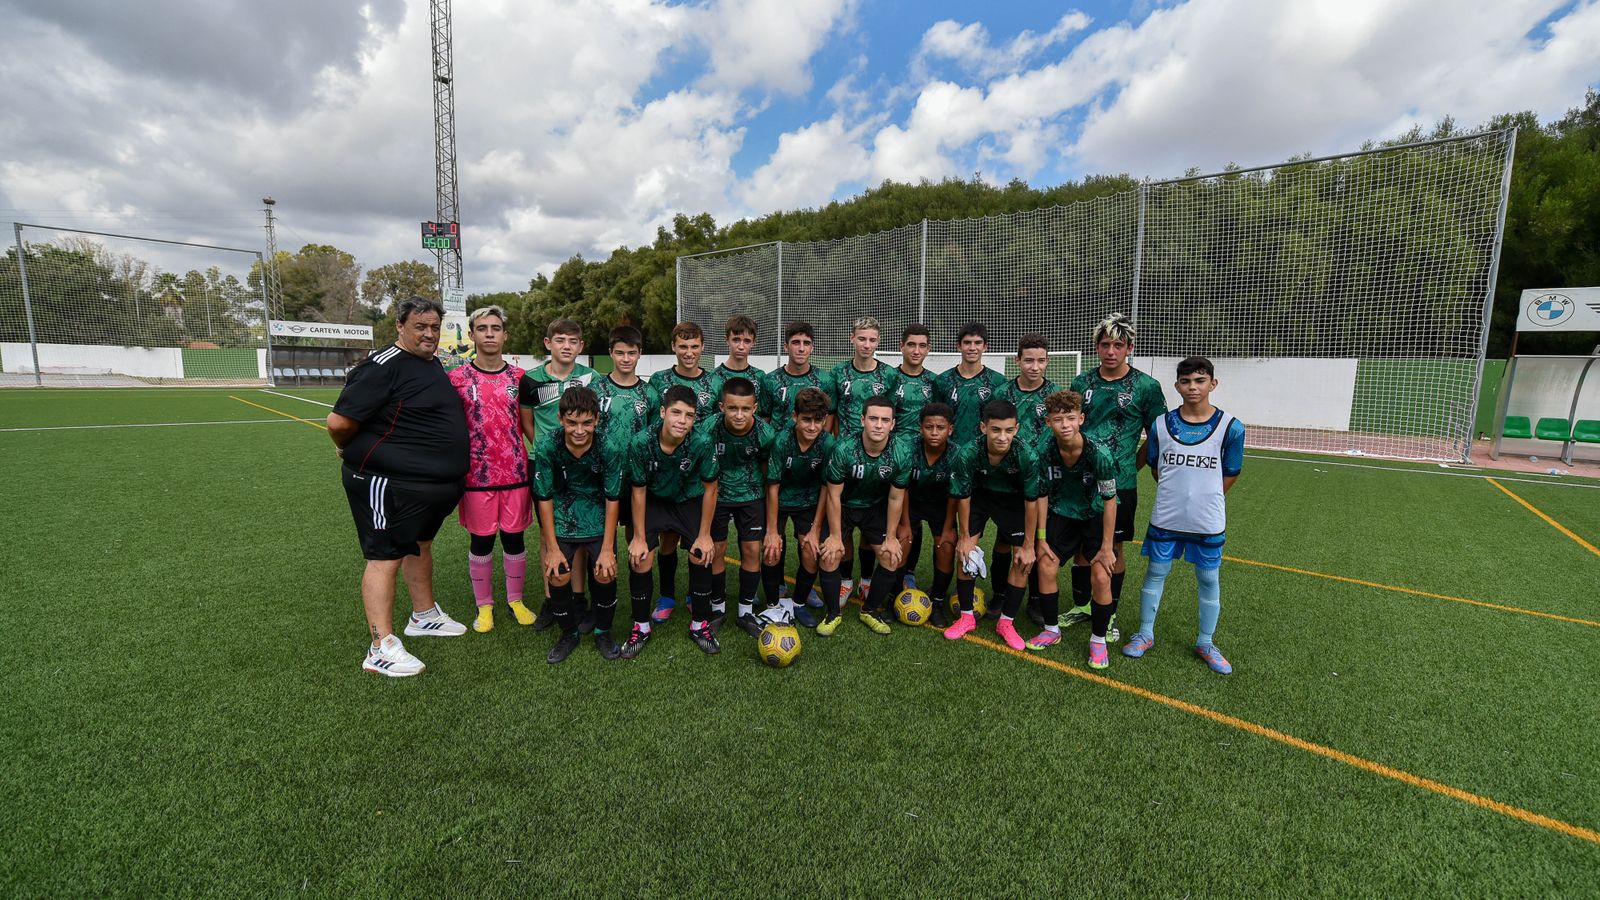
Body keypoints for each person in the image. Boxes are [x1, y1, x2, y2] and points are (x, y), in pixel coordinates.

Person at [328, 297, 469, 677]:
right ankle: (380, 647)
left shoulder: (430, 362)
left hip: (427, 487)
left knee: (419, 544)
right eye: (420, 326)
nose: (429, 334)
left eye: (434, 327)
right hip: (385, 483)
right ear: (400, 326)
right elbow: (339, 422)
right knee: (384, 555)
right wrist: (346, 449)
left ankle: (423, 616)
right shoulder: (382, 366)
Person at [1122, 357, 1245, 675]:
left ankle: (1206, 642)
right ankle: (1145, 634)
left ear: (1213, 384)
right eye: (1186, 381)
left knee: (1208, 578)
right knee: (1155, 572)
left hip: (1207, 520)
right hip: (1167, 516)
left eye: (1200, 380)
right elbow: (1156, 468)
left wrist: (1206, 496)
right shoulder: (1161, 425)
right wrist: (1178, 493)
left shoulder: (1231, 427)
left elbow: (1231, 472)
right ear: (1177, 385)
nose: (1193, 387)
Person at [1066, 312, 1167, 639]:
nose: (1111, 351)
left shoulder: (1146, 387)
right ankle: (1083, 606)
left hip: (1120, 484)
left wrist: (1132, 465)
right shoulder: (1082, 383)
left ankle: (1107, 614)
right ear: (1097, 347)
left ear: (1129, 348)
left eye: (1119, 345)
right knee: (1083, 548)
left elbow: (1157, 435)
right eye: (1106, 344)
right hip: (1081, 481)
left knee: (1114, 548)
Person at [448, 306, 534, 633]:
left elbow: (531, 424)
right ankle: (484, 606)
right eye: (482, 328)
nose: (489, 334)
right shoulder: (456, 379)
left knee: (514, 539)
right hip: (476, 477)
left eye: (495, 328)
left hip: (515, 473)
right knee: (481, 542)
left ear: (505, 335)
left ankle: (516, 600)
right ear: (472, 335)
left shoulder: (520, 378)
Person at [622, 385, 721, 659]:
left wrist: (704, 535)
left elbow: (711, 489)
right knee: (640, 556)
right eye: (676, 413)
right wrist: (638, 537)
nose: (682, 420)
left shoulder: (702, 442)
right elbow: (638, 491)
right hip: (654, 500)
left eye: (689, 415)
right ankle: (641, 627)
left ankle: (699, 624)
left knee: (701, 553)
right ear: (663, 412)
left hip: (688, 499)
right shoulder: (641, 442)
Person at [1026, 391, 1119, 668]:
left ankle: (1098, 641)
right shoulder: (1043, 451)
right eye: (1058, 419)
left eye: (1070, 418)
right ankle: (1051, 630)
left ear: (1081, 419)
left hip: (1094, 514)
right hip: (1062, 513)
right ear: (1048, 422)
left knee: (1101, 575)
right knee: (1045, 565)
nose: (1065, 425)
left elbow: (1110, 500)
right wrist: (1041, 538)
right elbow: (1041, 494)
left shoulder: (1099, 453)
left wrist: (1107, 547)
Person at [532, 387, 623, 662]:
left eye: (587, 422)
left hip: (597, 515)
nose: (579, 430)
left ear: (596, 419)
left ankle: (603, 632)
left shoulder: (609, 447)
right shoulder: (547, 446)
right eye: (572, 422)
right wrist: (551, 548)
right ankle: (568, 633)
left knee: (605, 572)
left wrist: (607, 549)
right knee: (557, 573)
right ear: (560, 419)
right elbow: (544, 498)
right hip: (563, 516)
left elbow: (612, 499)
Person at [943, 398, 1044, 648]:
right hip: (979, 498)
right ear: (983, 427)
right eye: (996, 430)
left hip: (1013, 502)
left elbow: (1032, 502)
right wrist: (964, 537)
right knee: (965, 553)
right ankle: (966, 617)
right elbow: (963, 496)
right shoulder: (968, 453)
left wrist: (1029, 544)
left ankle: (1006, 623)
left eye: (1009, 430)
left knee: (1022, 560)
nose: (1002, 437)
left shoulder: (1027, 456)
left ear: (1016, 429)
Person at [520, 317, 597, 630]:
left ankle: (577, 597)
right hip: (545, 463)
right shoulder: (530, 379)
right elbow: (527, 422)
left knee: (579, 530)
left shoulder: (591, 378)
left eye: (573, 341)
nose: (566, 346)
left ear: (581, 346)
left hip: (582, 463)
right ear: (548, 343)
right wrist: (546, 449)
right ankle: (552, 598)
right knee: (548, 532)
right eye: (560, 340)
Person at [817, 396, 912, 636]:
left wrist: (891, 536)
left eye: (885, 420)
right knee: (830, 554)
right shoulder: (843, 449)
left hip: (874, 508)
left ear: (893, 424)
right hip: (844, 506)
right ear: (862, 420)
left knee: (891, 556)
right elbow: (833, 495)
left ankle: (869, 610)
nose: (878, 425)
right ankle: (832, 614)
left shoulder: (902, 452)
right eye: (873, 419)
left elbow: (896, 498)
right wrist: (835, 536)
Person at [647, 322, 717, 624]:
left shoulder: (714, 382)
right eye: (683, 346)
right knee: (666, 540)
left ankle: (693, 595)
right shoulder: (659, 380)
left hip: (698, 476)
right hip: (664, 476)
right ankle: (666, 596)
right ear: (674, 347)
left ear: (702, 347)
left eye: (694, 346)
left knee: (697, 541)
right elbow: (652, 425)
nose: (689, 352)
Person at [828, 316, 899, 605]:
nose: (866, 345)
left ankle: (867, 580)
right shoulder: (838, 373)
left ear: (878, 342)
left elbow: (890, 415)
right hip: (846, 458)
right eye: (861, 338)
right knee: (844, 520)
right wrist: (834, 447)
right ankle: (845, 580)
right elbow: (832, 417)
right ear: (852, 338)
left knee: (871, 519)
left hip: (876, 458)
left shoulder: (889, 376)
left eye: (872, 339)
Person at [704, 377, 777, 637]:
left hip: (751, 494)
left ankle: (746, 612)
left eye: (746, 409)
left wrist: (770, 522)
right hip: (718, 495)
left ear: (755, 408)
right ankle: (717, 608)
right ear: (722, 406)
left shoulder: (765, 434)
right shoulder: (708, 428)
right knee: (717, 549)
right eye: (733, 408)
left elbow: (768, 473)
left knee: (751, 550)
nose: (739, 414)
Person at [761, 387, 833, 629]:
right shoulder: (781, 441)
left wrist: (815, 529)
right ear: (795, 417)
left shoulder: (827, 443)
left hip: (809, 502)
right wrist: (772, 531)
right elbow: (772, 487)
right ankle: (773, 606)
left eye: (818, 421)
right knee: (772, 550)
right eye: (806, 420)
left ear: (825, 420)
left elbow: (826, 487)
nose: (812, 427)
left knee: (812, 551)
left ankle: (798, 603)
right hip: (779, 500)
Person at [895, 403, 959, 627]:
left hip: (941, 506)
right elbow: (901, 489)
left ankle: (938, 602)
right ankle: (896, 596)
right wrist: (905, 524)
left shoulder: (957, 454)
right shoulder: (908, 449)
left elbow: (955, 495)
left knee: (946, 546)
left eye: (940, 427)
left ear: (950, 429)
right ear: (920, 428)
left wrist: (948, 528)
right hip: (911, 503)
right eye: (929, 427)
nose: (934, 432)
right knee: (902, 542)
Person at [932, 321, 1006, 447]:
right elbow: (936, 420)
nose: (972, 348)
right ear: (959, 346)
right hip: (950, 451)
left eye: (977, 343)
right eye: (967, 343)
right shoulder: (942, 381)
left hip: (984, 451)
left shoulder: (998, 381)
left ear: (985, 347)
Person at [590, 324, 661, 450]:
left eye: (631, 353)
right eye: (620, 353)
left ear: (640, 353)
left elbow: (654, 436)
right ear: (611, 353)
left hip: (637, 461)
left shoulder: (650, 394)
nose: (626, 359)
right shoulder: (594, 390)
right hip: (602, 461)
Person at [996, 333, 1059, 452]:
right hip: (1010, 458)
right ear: (1017, 360)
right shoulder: (1002, 392)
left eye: (1041, 361)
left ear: (1047, 361)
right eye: (1029, 361)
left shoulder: (1056, 393)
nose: (1035, 367)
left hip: (1045, 459)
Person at [767, 321, 834, 426]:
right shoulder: (770, 380)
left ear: (812, 348)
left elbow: (829, 416)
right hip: (778, 437)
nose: (801, 349)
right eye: (796, 343)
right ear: (786, 347)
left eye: (806, 343)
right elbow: (764, 419)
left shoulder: (826, 380)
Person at [709, 314, 772, 418]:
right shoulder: (713, 377)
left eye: (747, 341)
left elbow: (764, 416)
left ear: (754, 342)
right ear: (727, 340)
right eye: (736, 340)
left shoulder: (760, 376)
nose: (741, 346)